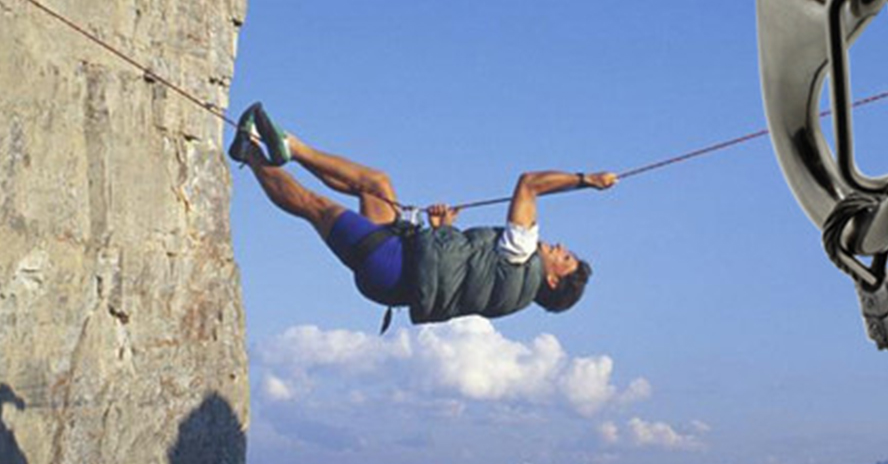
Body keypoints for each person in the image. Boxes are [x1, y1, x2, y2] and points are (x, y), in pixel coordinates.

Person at [228, 103, 616, 327]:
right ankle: (290, 147)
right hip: (401, 270)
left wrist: (587, 180)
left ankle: (251, 153)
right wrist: (443, 232)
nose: (560, 246)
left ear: (552, 280)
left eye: (565, 257)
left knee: (316, 207)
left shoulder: (522, 253)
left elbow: (529, 184)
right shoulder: (512, 295)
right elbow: (459, 280)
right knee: (376, 183)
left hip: (392, 264)